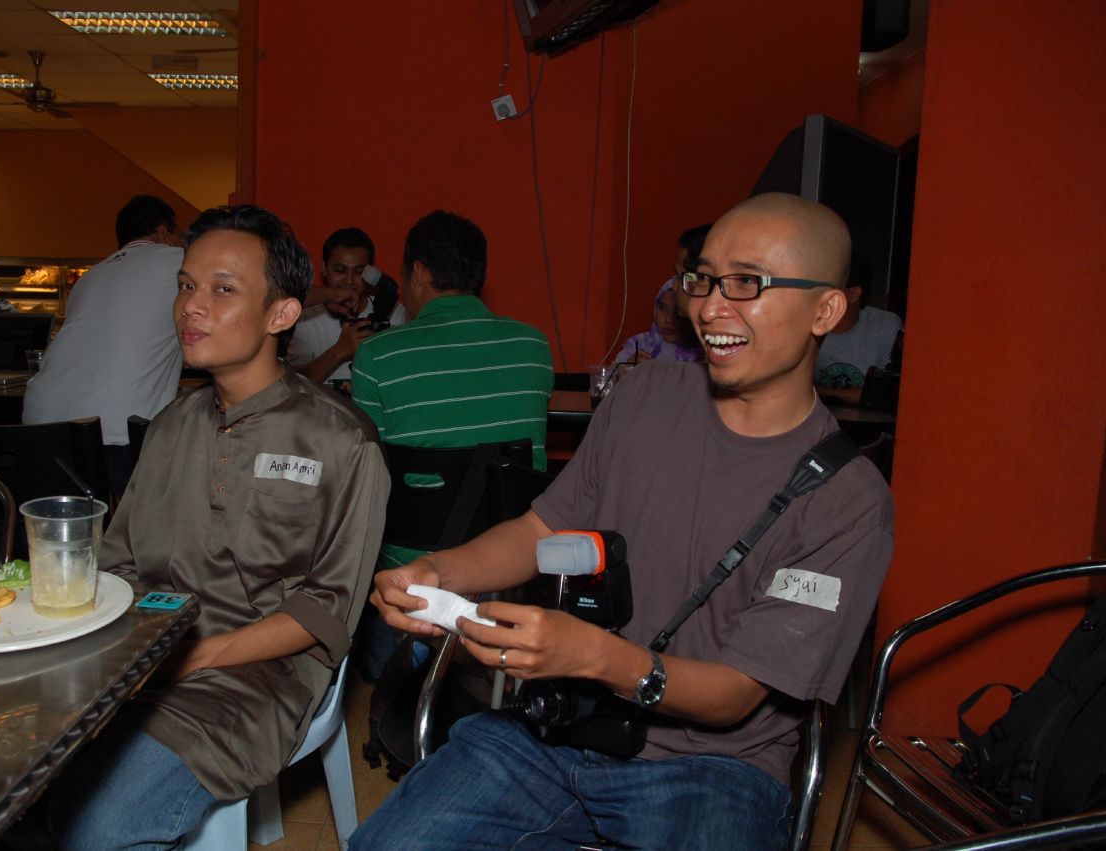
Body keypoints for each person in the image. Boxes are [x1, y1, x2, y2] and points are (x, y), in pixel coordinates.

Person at [353, 193, 894, 850]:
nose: (711, 306)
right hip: (558, 727)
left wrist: (596, 655)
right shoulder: (643, 396)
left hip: (711, 767)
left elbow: (735, 695)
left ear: (827, 309)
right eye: (704, 278)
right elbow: (540, 529)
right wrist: (443, 568)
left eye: (747, 283)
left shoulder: (848, 498)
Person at [46, 205, 390, 850]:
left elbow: (327, 611)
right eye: (185, 285)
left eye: (223, 289)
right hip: (144, 656)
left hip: (257, 677)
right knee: (1, 784)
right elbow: (119, 564)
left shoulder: (341, 440)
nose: (191, 307)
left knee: (100, 829)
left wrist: (196, 655)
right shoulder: (173, 423)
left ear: (281, 315)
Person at [349, 209, 554, 681]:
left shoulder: (378, 355)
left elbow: (370, 473)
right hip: (511, 568)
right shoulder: (534, 347)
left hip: (413, 574)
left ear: (418, 273)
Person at [22, 195, 185, 495]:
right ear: (163, 233)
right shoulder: (178, 261)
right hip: (113, 436)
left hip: (39, 428)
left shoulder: (89, 277)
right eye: (180, 235)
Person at [287, 227, 409, 386]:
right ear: (324, 268)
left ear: (371, 273)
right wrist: (340, 350)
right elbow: (292, 386)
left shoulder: (393, 312)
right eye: (340, 270)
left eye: (359, 272)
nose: (349, 281)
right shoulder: (304, 317)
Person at [814, 253, 904, 405]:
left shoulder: (885, 326)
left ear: (853, 294)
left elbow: (885, 395)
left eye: (828, 287)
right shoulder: (804, 325)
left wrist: (823, 393)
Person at [615, 225, 710, 363]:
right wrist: (627, 372)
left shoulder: (708, 350)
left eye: (680, 277)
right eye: (662, 308)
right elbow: (607, 380)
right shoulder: (640, 345)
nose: (669, 320)